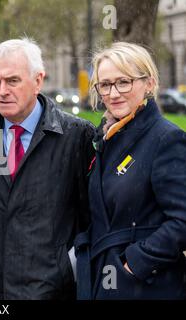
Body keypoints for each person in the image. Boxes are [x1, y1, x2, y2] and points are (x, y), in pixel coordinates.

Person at [0, 38, 95, 299]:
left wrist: (67, 269)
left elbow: (92, 217)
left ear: (38, 81)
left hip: (53, 291)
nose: (2, 91)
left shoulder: (76, 136)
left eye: (12, 81)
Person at [75, 42, 186, 300]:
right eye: (105, 85)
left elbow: (182, 220)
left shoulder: (166, 139)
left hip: (149, 287)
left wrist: (134, 263)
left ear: (148, 83)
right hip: (104, 279)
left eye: (124, 82)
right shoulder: (105, 137)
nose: (113, 93)